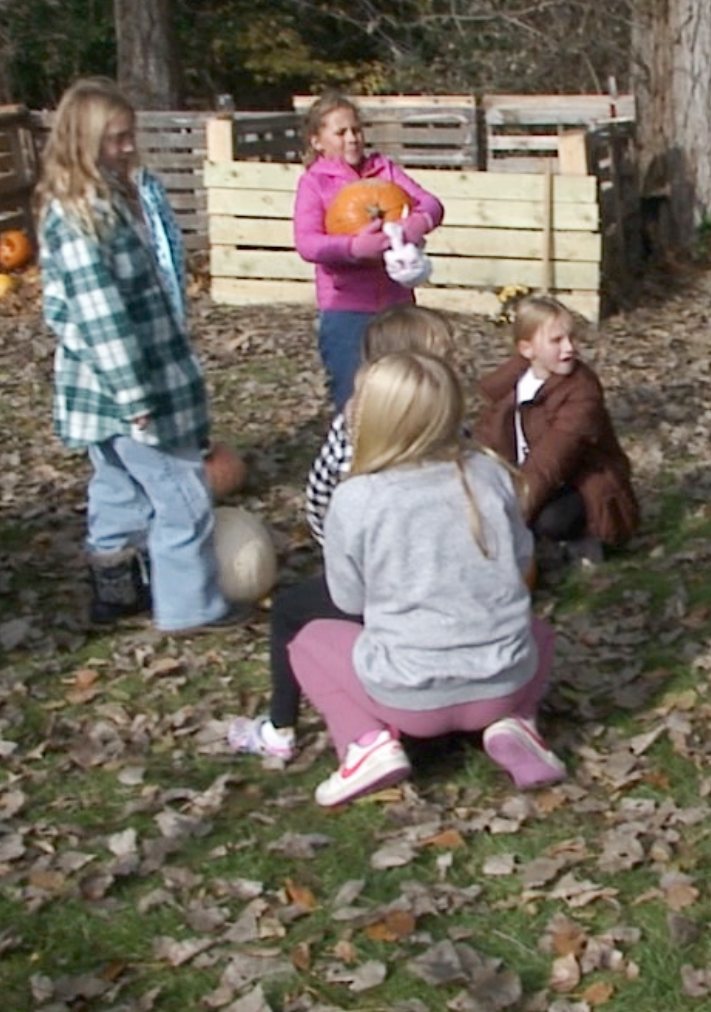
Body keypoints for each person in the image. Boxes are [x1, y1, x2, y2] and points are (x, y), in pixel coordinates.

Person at [288, 352, 564, 805]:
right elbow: (519, 564)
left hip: (407, 697)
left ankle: (364, 744)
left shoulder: (356, 498)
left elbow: (347, 600)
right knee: (540, 632)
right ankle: (517, 723)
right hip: (503, 684)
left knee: (309, 641)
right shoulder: (493, 473)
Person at [37, 77, 243, 633]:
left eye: (130, 137)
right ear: (82, 143)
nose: (128, 148)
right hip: (128, 392)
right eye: (116, 140)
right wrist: (136, 399)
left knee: (120, 491)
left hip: (106, 397)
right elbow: (100, 319)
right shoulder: (83, 218)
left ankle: (115, 591)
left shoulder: (109, 200)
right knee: (183, 498)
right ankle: (190, 609)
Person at [228, 304, 460, 761]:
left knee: (293, 614)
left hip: (382, 586)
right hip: (436, 582)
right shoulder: (450, 429)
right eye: (445, 360)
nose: (454, 369)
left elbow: (318, 501)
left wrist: (340, 553)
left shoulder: (361, 428)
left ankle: (284, 729)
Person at [292, 90, 445, 412]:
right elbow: (307, 242)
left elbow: (432, 203)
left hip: (397, 304)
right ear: (317, 141)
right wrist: (352, 247)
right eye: (341, 132)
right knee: (354, 396)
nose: (352, 139)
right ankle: (355, 458)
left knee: (406, 394)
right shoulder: (314, 183)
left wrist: (414, 226)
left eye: (357, 130)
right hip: (346, 310)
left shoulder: (383, 170)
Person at [472, 294, 639, 565]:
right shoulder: (515, 383)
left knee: (550, 520)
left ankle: (583, 540)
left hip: (580, 483)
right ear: (527, 349)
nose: (570, 348)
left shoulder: (582, 392)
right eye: (557, 341)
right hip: (531, 476)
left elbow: (551, 461)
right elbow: (489, 437)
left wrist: (510, 519)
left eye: (572, 338)